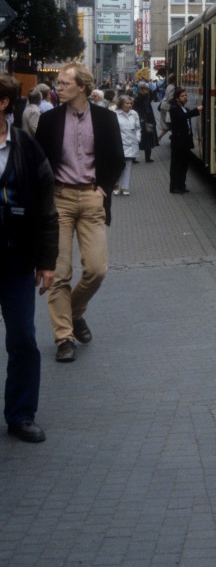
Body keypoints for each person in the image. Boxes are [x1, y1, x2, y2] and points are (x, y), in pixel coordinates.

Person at [35, 62, 124, 364]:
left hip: (91, 198)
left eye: (63, 83)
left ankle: (73, 312)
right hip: (58, 200)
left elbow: (117, 159)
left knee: (96, 269)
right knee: (59, 274)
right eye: (57, 83)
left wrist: (102, 190)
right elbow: (39, 164)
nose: (57, 88)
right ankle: (64, 337)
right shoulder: (48, 120)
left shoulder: (106, 118)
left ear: (81, 87)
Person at [0, 74, 58, 443]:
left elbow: (47, 208)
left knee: (22, 338)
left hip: (16, 261)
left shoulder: (25, 146)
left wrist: (47, 261)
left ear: (3, 103)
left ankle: (21, 415)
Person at [169, 87, 202, 194]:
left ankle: (182, 185)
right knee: (176, 165)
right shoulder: (174, 108)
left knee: (184, 165)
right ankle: (174, 187)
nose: (185, 98)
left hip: (186, 141)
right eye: (182, 96)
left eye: (185, 95)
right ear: (177, 98)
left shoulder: (184, 108)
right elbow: (183, 117)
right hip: (178, 142)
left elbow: (187, 115)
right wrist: (197, 109)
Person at [114, 95, 141, 195]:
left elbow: (138, 128)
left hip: (131, 143)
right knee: (118, 166)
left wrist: (138, 138)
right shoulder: (115, 114)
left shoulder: (134, 113)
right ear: (121, 104)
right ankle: (116, 184)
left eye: (130, 103)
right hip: (119, 143)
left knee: (128, 166)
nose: (129, 105)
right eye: (127, 103)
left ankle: (125, 187)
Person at [133, 83, 157, 162]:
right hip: (147, 120)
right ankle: (147, 158)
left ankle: (133, 158)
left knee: (136, 139)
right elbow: (149, 110)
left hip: (139, 119)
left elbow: (134, 109)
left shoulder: (137, 98)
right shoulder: (147, 97)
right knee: (148, 139)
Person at [158, 74, 176, 141]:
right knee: (168, 125)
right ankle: (158, 137)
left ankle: (159, 137)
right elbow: (170, 98)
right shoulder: (173, 87)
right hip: (167, 107)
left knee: (166, 125)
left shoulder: (169, 86)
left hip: (163, 106)